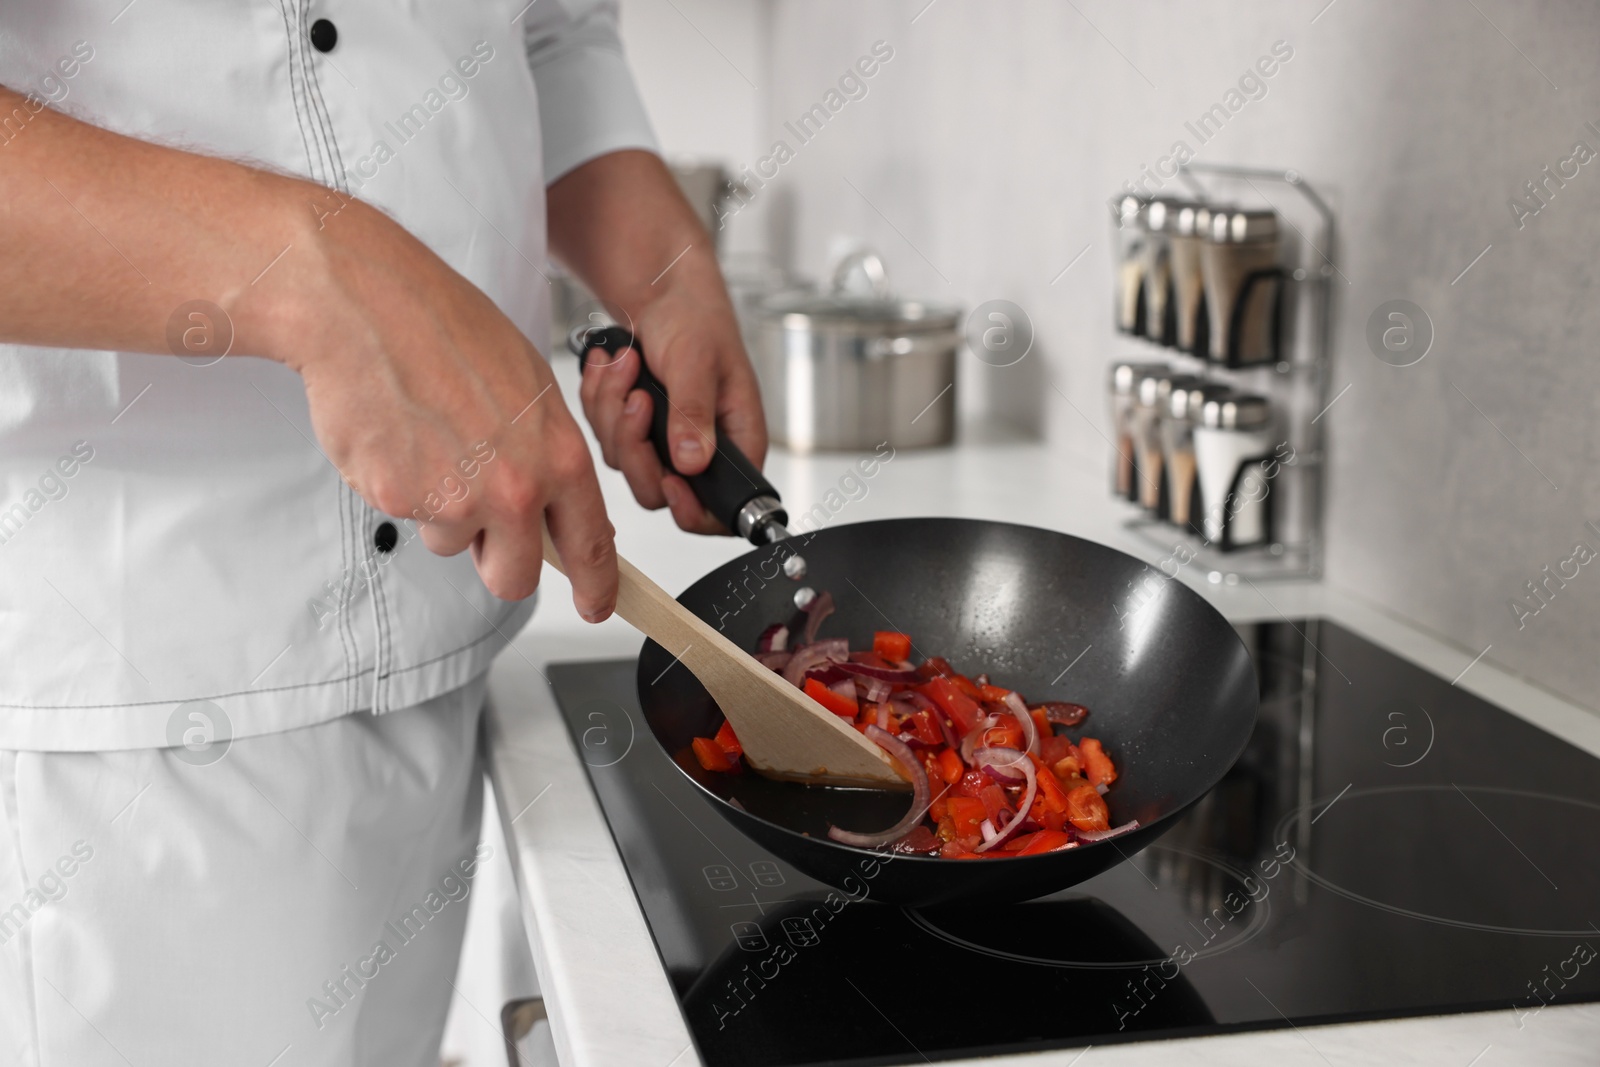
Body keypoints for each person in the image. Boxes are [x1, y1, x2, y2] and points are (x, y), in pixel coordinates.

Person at [0, 2, 764, 1064]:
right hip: (135, 725)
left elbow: (550, 30)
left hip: (445, 656)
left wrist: (666, 267)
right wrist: (320, 274)